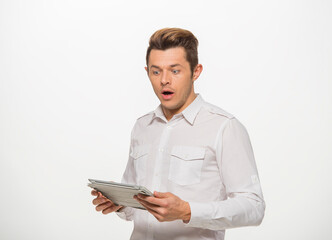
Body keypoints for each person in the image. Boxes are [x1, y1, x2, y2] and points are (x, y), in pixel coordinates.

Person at [91, 28, 265, 240]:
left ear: (196, 71)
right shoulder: (142, 127)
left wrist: (187, 210)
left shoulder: (224, 127)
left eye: (175, 71)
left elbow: (254, 207)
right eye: (156, 71)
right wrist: (119, 203)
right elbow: (136, 208)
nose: (164, 80)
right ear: (147, 72)